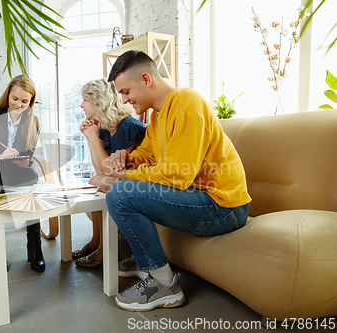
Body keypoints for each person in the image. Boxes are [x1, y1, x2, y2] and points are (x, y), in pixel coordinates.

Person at [105, 50, 252, 311]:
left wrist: (127, 176)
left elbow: (176, 174)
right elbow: (147, 152)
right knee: (121, 190)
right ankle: (151, 269)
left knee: (120, 194)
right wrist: (127, 159)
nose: (125, 101)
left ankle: (164, 285)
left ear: (146, 79)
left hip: (223, 207)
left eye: (126, 92)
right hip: (199, 198)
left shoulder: (187, 102)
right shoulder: (158, 115)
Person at [73, 78, 146, 268]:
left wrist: (92, 138)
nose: (82, 105)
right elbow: (100, 169)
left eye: (85, 99)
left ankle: (104, 251)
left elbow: (111, 170)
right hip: (123, 181)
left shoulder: (128, 126)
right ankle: (96, 241)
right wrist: (92, 137)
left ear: (99, 101)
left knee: (99, 181)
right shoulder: (107, 129)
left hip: (142, 183)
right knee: (95, 180)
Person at [0, 75, 45, 273]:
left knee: (31, 181)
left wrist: (25, 160)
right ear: (8, 94)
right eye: (15, 99)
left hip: (16, 170)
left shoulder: (33, 121)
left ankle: (35, 248)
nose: (19, 104)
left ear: (31, 101)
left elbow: (29, 151)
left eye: (25, 101)